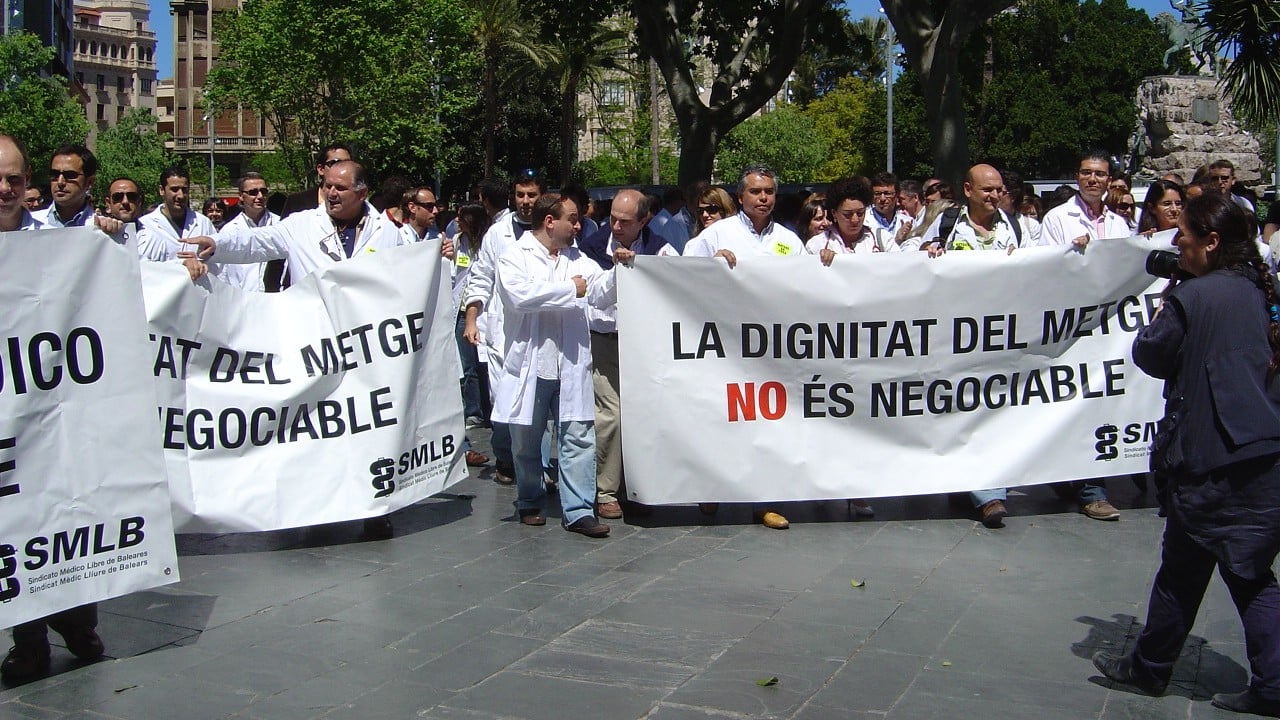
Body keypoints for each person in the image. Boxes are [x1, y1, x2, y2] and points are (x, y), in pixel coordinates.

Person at [186, 160, 447, 540]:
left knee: (370, 427)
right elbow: (256, 244)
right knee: (319, 427)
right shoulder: (300, 225)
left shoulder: (387, 232)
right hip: (314, 348)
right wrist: (217, 245)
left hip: (368, 350)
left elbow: (406, 280)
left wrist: (436, 258)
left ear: (362, 193)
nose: (331, 193)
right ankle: (316, 506)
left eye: (340, 188)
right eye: (327, 186)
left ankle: (375, 506)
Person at [1092, 193, 1280, 718]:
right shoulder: (1257, 290)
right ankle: (1265, 682)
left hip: (1209, 462)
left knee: (1184, 574)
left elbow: (1150, 353)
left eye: (1186, 237)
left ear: (1212, 242)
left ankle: (1150, 670)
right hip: (1264, 456)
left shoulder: (1194, 298)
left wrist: (1171, 299)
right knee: (1247, 573)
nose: (1177, 244)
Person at [494, 192, 624, 538]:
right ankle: (530, 500)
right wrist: (570, 289)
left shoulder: (578, 258)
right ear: (550, 221)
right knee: (526, 439)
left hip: (571, 362)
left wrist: (619, 269)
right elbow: (520, 296)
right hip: (532, 363)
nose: (578, 225)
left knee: (579, 435)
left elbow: (597, 290)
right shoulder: (515, 256)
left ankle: (579, 510)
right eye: (572, 219)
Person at [685, 164, 803, 530]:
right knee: (722, 419)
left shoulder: (789, 240)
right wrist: (711, 266)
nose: (763, 197)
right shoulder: (715, 235)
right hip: (724, 346)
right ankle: (711, 488)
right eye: (756, 191)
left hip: (770, 350)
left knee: (766, 425)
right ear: (740, 197)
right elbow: (679, 274)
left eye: (769, 191)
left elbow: (808, 285)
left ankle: (762, 502)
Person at [921, 164, 1023, 527]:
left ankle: (988, 492)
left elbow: (1044, 263)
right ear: (968, 189)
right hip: (953, 338)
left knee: (989, 412)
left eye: (998, 190)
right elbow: (908, 255)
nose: (994, 196)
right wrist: (927, 251)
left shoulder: (1014, 226)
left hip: (998, 338)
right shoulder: (948, 224)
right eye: (987, 190)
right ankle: (976, 488)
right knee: (961, 411)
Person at [1037, 150, 1128, 520]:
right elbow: (1043, 269)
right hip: (1070, 328)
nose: (1093, 179)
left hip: (1108, 329)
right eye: (1086, 173)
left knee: (1097, 403)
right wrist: (1071, 257)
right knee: (1070, 403)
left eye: (1100, 174)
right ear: (1077, 177)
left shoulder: (1120, 224)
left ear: (1109, 180)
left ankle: (1088, 484)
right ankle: (1083, 485)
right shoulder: (1057, 219)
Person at [578, 189, 677, 521]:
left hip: (644, 345)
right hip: (604, 341)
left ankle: (640, 485)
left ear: (644, 220)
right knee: (612, 415)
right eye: (613, 219)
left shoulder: (660, 248)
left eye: (625, 221)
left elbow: (679, 285)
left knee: (643, 416)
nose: (617, 227)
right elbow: (595, 299)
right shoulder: (590, 249)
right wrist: (618, 271)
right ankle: (605, 490)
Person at [463, 172, 545, 486]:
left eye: (532, 195)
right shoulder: (497, 233)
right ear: (513, 197)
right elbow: (481, 277)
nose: (526, 202)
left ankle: (536, 465)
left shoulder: (549, 229)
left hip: (538, 330)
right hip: (501, 333)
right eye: (521, 195)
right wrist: (472, 319)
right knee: (502, 403)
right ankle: (506, 459)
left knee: (537, 403)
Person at [452, 202, 493, 448]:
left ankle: (489, 409)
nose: (457, 221)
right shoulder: (457, 242)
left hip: (484, 310)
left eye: (462, 217)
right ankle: (473, 410)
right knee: (467, 365)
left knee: (485, 364)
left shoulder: (487, 242)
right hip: (460, 309)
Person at [216, 172, 279, 292]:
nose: (260, 196)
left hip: (274, 300)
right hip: (241, 301)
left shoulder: (279, 224)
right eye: (253, 192)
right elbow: (222, 274)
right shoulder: (230, 231)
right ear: (240, 196)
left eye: (264, 191)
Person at [805, 178, 878, 258]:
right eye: (847, 214)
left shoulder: (881, 239)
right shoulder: (816, 245)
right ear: (834, 213)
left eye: (860, 213)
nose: (855, 220)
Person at [867, 172, 914, 251]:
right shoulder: (864, 222)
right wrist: (897, 240)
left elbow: (913, 252)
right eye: (877, 194)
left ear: (897, 195)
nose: (882, 198)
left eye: (887, 193)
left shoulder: (908, 222)